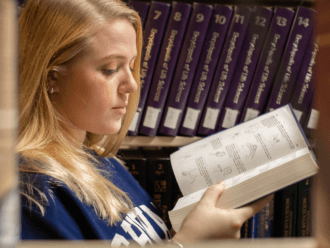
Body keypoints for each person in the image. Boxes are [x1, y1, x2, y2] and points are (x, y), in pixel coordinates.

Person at [18, 0, 272, 246]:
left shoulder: (103, 162)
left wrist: (188, 230)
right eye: (110, 68)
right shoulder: (30, 192)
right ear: (52, 77)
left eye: (131, 66)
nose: (132, 85)